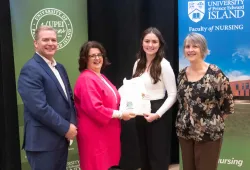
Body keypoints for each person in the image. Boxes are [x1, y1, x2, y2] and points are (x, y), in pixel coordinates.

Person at [18, 25, 77, 170]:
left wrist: (72, 125)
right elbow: (39, 108)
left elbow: (69, 100)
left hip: (60, 141)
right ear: (35, 43)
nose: (50, 43)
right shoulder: (30, 69)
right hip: (42, 145)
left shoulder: (60, 68)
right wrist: (65, 128)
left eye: (53, 40)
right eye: (45, 40)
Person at [176, 32, 234, 170]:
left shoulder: (215, 73)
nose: (190, 50)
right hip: (185, 133)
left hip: (209, 134)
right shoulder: (182, 74)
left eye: (195, 46)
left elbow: (227, 104)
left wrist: (210, 123)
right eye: (187, 46)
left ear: (202, 49)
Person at [74, 41, 135, 170]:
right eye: (92, 56)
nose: (97, 58)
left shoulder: (100, 76)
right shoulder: (86, 79)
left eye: (99, 54)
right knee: (96, 165)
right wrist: (120, 114)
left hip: (106, 132)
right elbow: (94, 109)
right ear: (85, 59)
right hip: (94, 134)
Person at [132, 27, 177, 170]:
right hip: (141, 111)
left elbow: (173, 95)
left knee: (158, 155)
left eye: (154, 42)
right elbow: (134, 88)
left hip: (158, 112)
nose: (150, 45)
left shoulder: (164, 65)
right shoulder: (137, 63)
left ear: (160, 44)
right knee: (143, 153)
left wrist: (157, 114)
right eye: (147, 41)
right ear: (142, 43)